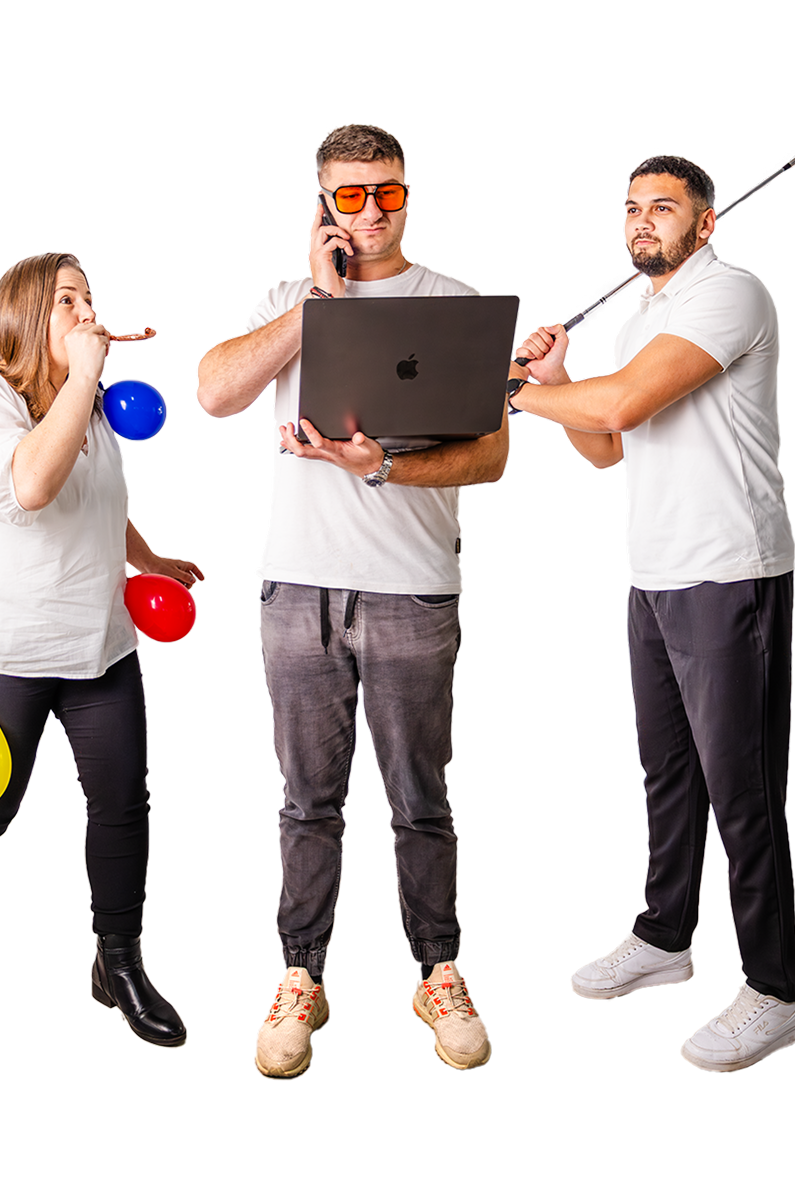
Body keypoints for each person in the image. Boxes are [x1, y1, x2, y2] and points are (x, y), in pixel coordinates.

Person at [191, 121, 507, 1079]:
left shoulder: (453, 303)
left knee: (421, 798)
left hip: (414, 588)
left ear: (410, 193)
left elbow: (490, 457)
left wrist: (383, 471)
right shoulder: (289, 300)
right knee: (305, 802)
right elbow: (213, 393)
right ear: (323, 202)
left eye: (390, 192)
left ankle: (437, 972)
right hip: (297, 588)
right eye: (352, 195)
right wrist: (317, 304)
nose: (372, 212)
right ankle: (301, 977)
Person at [511, 152, 795, 1073]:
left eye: (664, 209)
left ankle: (775, 990)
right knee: (667, 778)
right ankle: (664, 937)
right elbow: (606, 444)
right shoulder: (644, 313)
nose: (643, 223)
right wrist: (561, 378)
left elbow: (631, 397)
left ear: (707, 221)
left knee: (743, 792)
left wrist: (520, 393)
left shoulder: (736, 294)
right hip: (655, 573)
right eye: (633, 209)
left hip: (732, 577)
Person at [0, 251, 204, 1050]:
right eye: (68, 299)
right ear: (24, 315)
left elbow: (97, 501)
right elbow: (32, 487)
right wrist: (82, 379)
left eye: (90, 297)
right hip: (1, 642)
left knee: (122, 803)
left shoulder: (93, 406)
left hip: (99, 639)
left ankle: (118, 963)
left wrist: (149, 560)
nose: (87, 311)